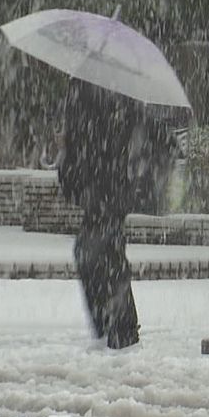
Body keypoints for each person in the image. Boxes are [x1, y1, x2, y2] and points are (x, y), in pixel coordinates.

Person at [58, 78, 175, 350]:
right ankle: (115, 327)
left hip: (105, 191)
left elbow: (156, 138)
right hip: (105, 190)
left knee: (98, 254)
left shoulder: (101, 93)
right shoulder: (111, 93)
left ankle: (117, 328)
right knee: (102, 254)